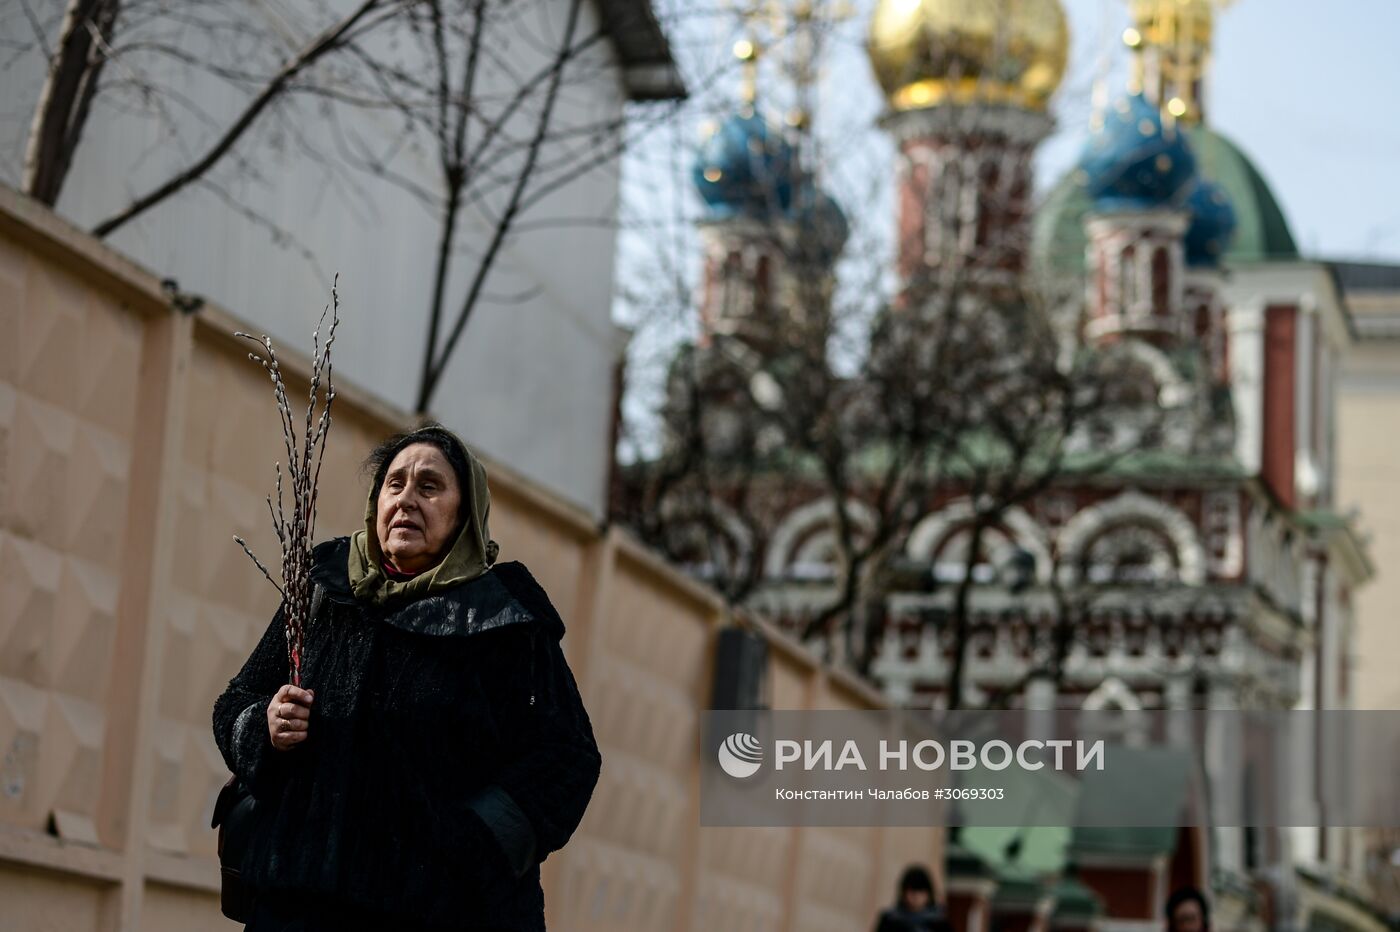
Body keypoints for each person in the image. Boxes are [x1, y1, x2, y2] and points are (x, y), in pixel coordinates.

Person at [212, 423, 602, 931]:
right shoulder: (327, 591)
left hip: (439, 910)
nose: (407, 500)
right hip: (299, 902)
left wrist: (471, 841)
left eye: (430, 487)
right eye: (395, 484)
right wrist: (265, 726)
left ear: (465, 515)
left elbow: (568, 757)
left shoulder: (503, 620)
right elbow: (236, 700)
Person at [873, 865, 951, 932]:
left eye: (920, 891)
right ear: (903, 894)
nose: (916, 896)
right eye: (912, 891)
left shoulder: (939, 922)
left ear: (929, 895)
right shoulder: (890, 920)